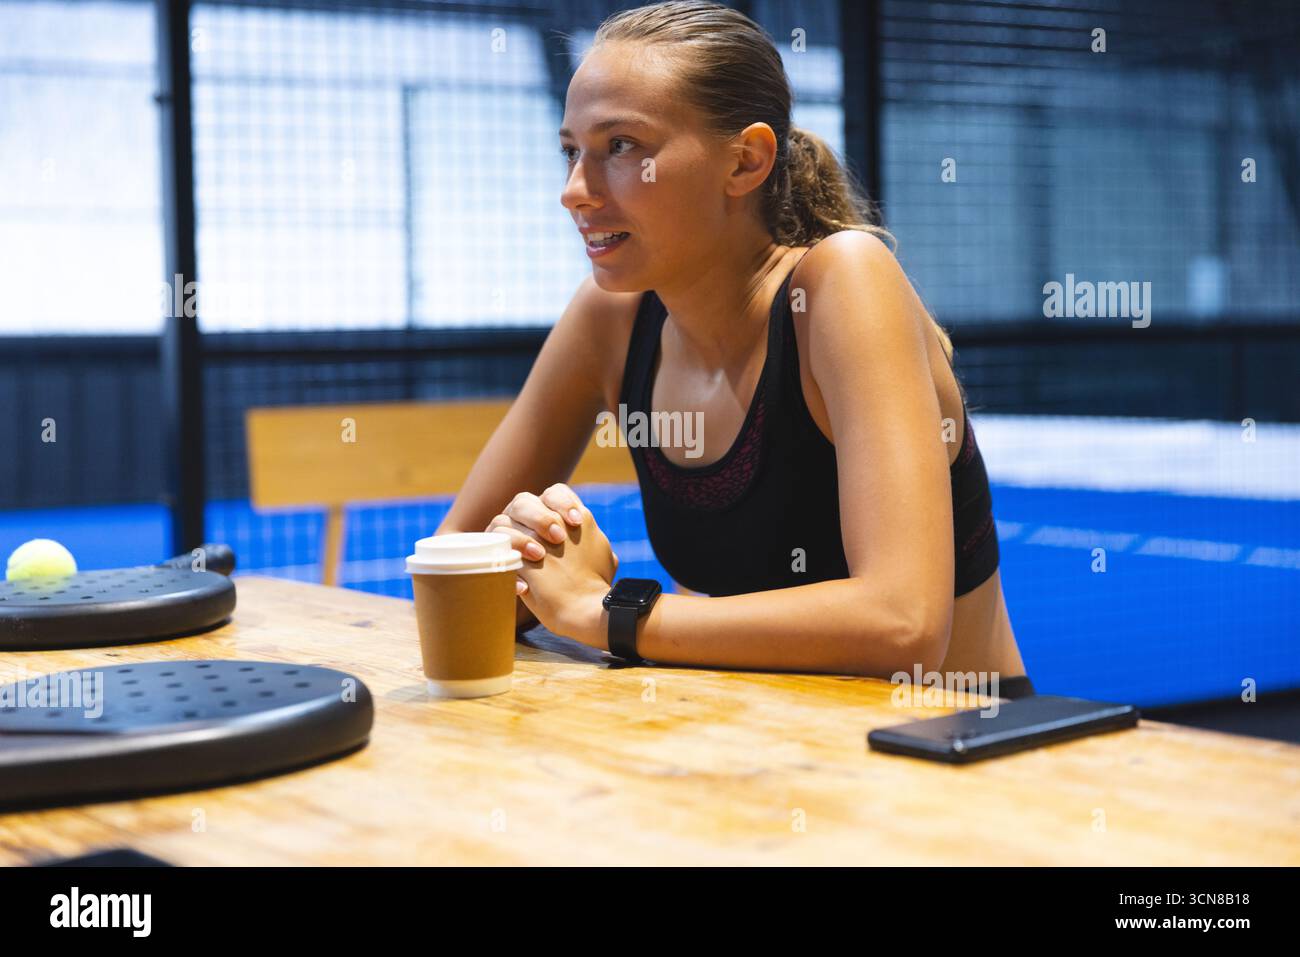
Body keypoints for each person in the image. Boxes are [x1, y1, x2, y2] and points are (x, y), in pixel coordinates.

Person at [437, 0, 1032, 694]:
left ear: (745, 161)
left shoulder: (842, 284)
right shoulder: (611, 319)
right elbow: (453, 567)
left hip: (953, 754)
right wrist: (537, 559)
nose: (575, 191)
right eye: (572, 151)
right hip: (760, 748)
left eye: (621, 146)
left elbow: (902, 624)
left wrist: (607, 612)